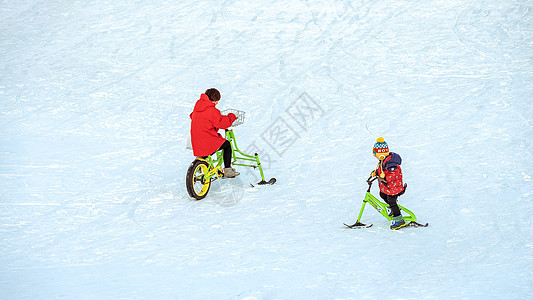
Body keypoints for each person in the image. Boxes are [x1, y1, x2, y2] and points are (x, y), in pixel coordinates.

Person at [190, 88, 239, 178]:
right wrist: (232, 117)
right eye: (217, 101)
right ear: (215, 100)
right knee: (227, 145)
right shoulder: (212, 110)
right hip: (207, 140)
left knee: (206, 148)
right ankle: (228, 170)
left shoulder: (198, 107)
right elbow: (223, 123)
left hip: (196, 140)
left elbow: (192, 116)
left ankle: (200, 161)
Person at [370, 137, 407, 229]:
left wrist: (384, 177)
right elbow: (382, 170)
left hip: (394, 188)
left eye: (376, 155)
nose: (375, 157)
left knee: (391, 201)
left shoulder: (391, 165)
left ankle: (399, 220)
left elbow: (393, 176)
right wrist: (376, 173)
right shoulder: (383, 161)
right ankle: (393, 209)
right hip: (388, 187)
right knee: (382, 194)